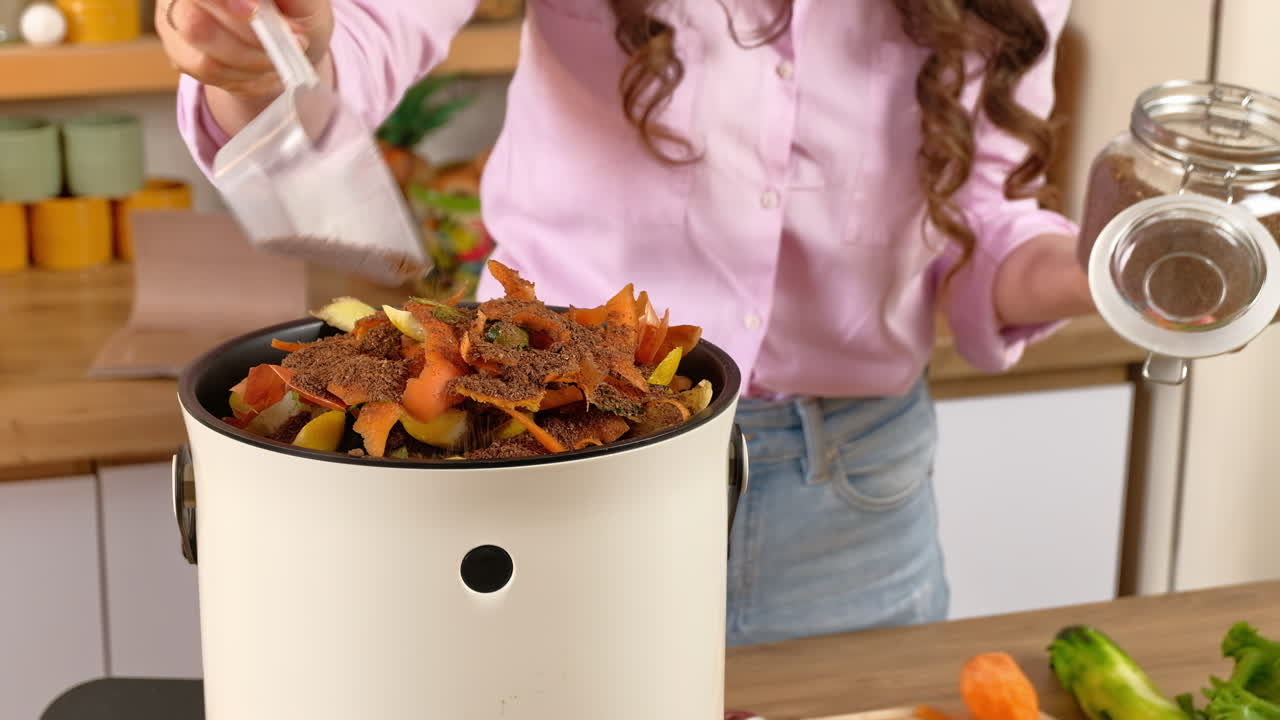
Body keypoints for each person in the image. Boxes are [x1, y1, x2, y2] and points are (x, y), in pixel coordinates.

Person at [160, 0, 1094, 648]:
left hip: (847, 489)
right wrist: (265, 56)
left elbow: (988, 225)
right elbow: (345, 46)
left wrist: (1111, 270)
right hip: (544, 449)